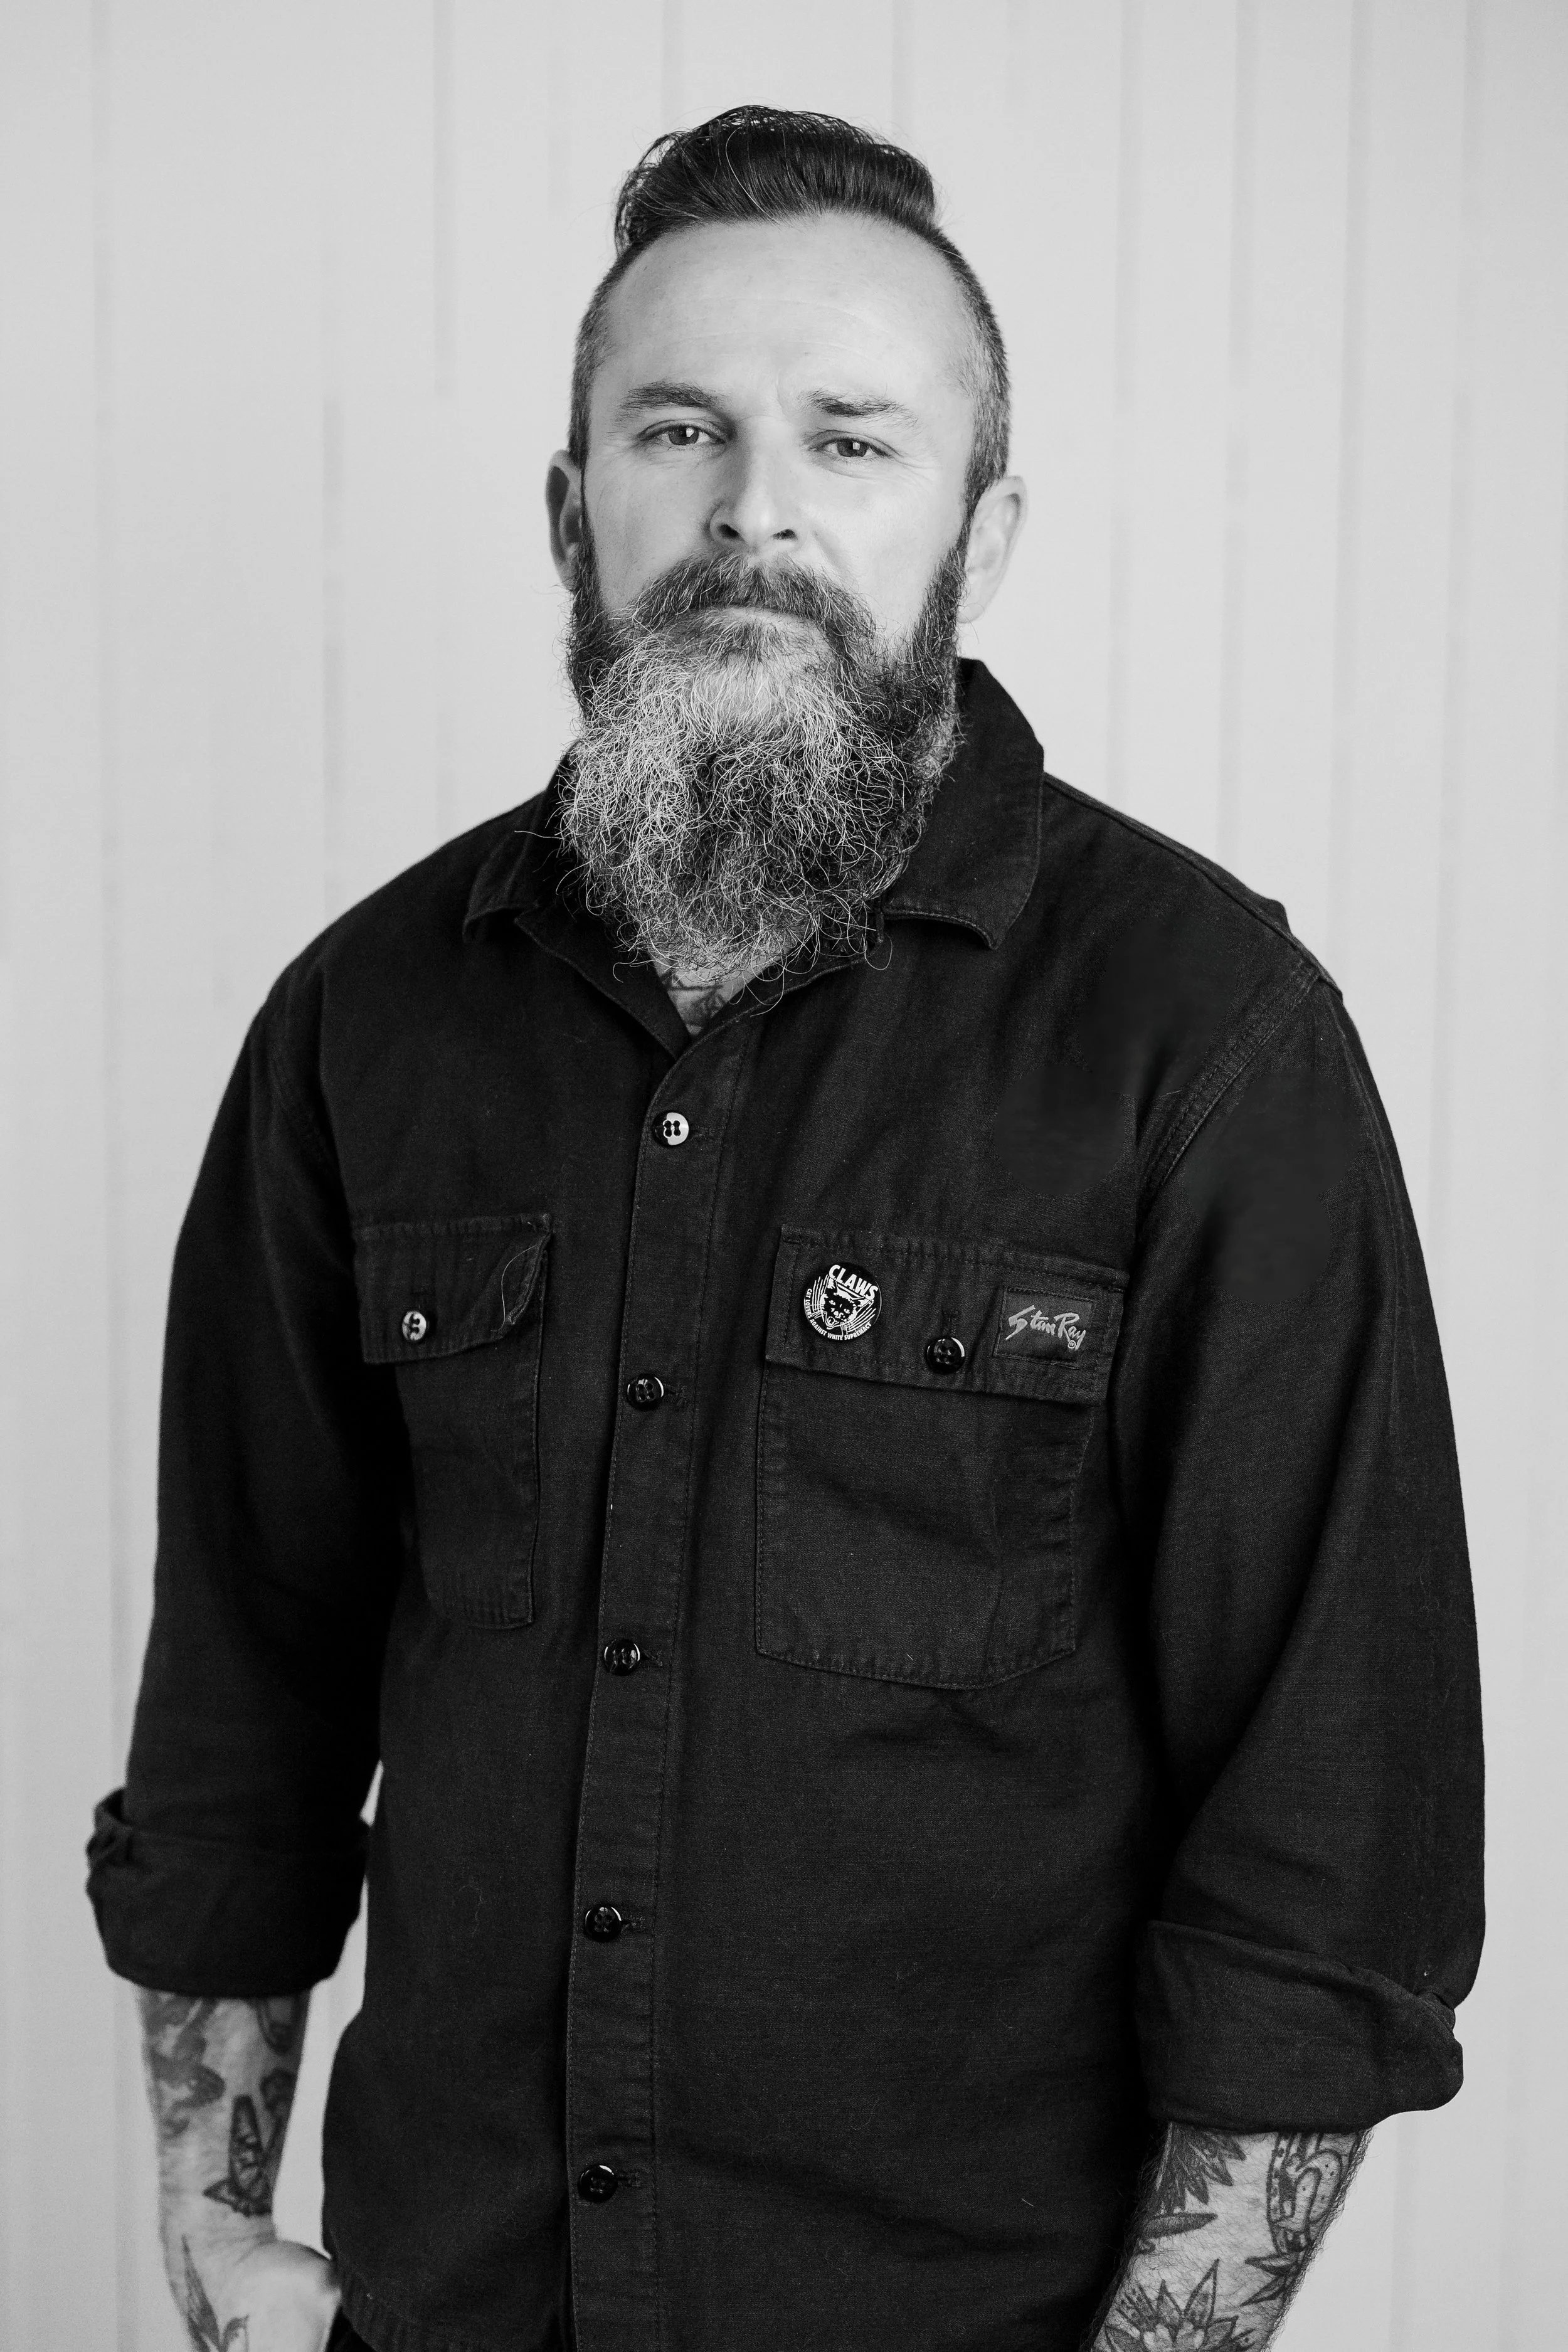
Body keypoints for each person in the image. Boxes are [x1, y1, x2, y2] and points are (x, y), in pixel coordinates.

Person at [87, 107, 1483, 2352]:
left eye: (850, 439)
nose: (756, 511)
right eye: (677, 430)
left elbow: (1333, 1826)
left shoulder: (1205, 1036)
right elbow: (241, 1712)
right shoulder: (362, 1023)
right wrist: (209, 2232)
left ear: (979, 528)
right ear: (573, 511)